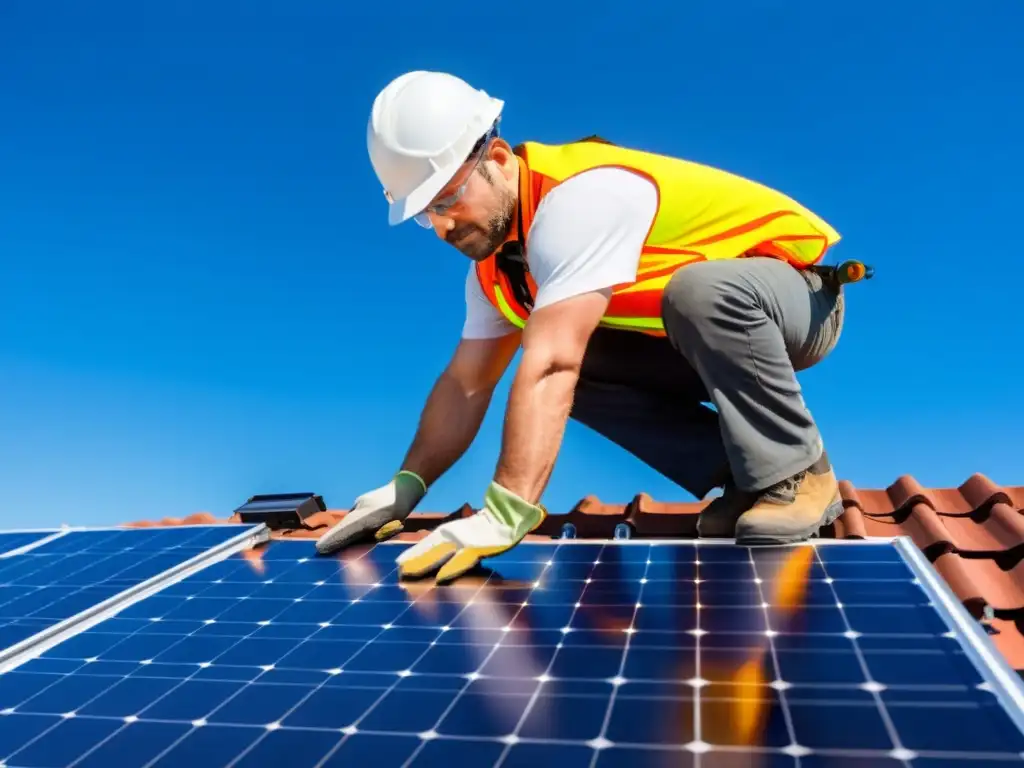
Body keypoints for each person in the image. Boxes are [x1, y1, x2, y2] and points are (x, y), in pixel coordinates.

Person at [316, 70, 853, 582]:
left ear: (498, 159)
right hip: (692, 341)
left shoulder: (577, 200)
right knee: (582, 362)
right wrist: (406, 486)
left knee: (669, 305)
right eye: (424, 215)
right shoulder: (496, 275)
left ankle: (795, 471)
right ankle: (745, 480)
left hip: (795, 299)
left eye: (448, 200)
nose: (441, 227)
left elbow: (552, 362)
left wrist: (508, 508)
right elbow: (467, 384)